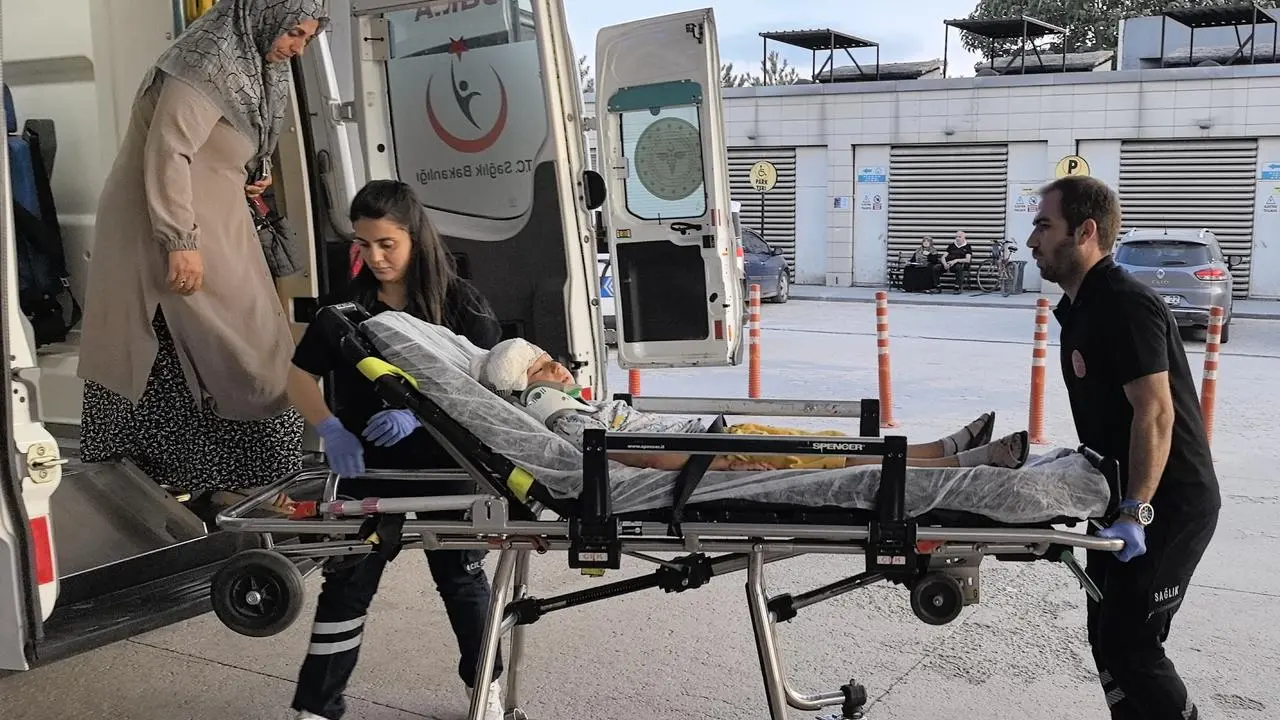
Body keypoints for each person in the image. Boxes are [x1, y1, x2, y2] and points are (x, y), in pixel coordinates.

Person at [76, 0, 329, 497]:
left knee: (244, 343)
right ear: (265, 16)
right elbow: (168, 150)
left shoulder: (254, 63)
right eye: (294, 33)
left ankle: (233, 482)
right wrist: (179, 240)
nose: (298, 48)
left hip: (215, 223)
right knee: (197, 345)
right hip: (163, 228)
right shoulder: (207, 63)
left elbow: (230, 138)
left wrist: (251, 170)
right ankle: (190, 481)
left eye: (308, 37)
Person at [286, 180, 507, 720]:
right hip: (366, 464)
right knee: (348, 580)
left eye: (388, 244)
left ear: (415, 238)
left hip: (446, 464)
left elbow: (491, 389)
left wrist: (419, 412)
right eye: (364, 244)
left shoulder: (461, 304)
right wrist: (330, 429)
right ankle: (317, 706)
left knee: (460, 578)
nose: (375, 257)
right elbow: (297, 377)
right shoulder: (345, 311)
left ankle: (486, 689)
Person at [1027, 175, 1220, 720]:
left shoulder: (1124, 303)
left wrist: (1137, 510)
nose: (1032, 240)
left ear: (1085, 232)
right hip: (1116, 499)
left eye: (1044, 225)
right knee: (1105, 636)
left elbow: (1154, 411)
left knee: (1131, 645)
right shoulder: (1082, 307)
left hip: (1166, 502)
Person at [469, 338, 1030, 471]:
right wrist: (717, 460)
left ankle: (945, 450)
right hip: (714, 451)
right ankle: (962, 462)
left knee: (834, 448)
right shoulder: (560, 417)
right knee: (832, 459)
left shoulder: (571, 409)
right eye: (545, 366)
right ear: (529, 387)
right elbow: (635, 454)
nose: (559, 367)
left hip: (714, 440)